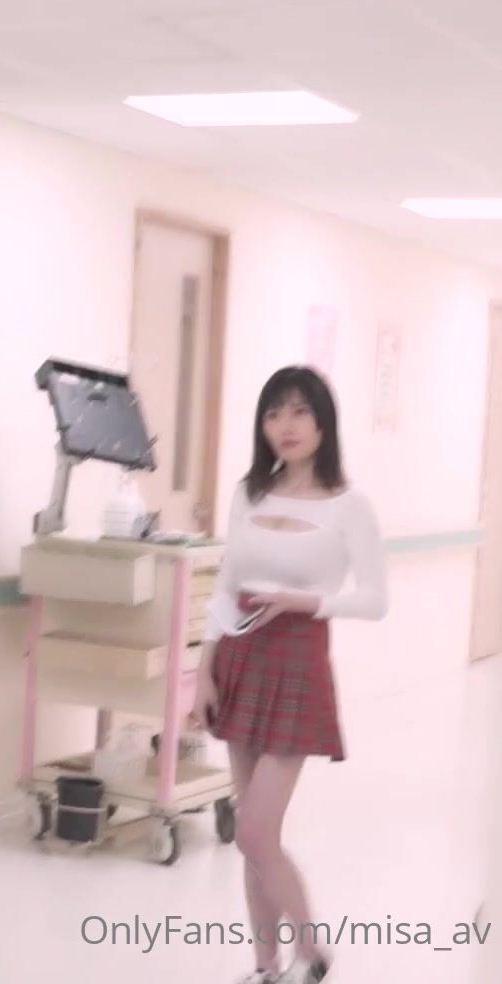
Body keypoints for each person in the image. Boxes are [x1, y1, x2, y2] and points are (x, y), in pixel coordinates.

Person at [192, 366, 388, 984]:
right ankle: (265, 968)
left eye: (300, 411)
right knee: (256, 834)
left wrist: (305, 602)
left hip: (298, 661)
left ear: (324, 421)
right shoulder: (249, 493)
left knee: (253, 832)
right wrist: (203, 671)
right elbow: (226, 586)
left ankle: (311, 951)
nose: (286, 425)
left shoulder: (350, 504)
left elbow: (375, 599)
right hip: (240, 657)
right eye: (274, 413)